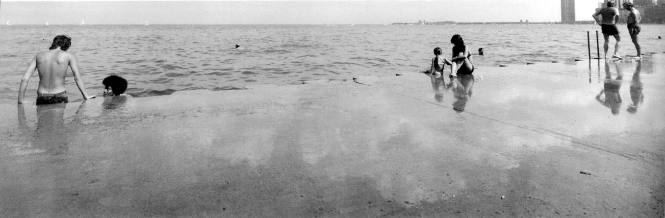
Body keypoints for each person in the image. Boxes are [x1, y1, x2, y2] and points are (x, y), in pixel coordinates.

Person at [18, 35, 94, 105]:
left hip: (42, 96)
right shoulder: (68, 56)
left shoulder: (38, 56)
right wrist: (85, 95)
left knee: (42, 119)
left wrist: (21, 100)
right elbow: (77, 78)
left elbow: (24, 79)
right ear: (66, 46)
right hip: (59, 95)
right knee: (58, 120)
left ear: (54, 43)